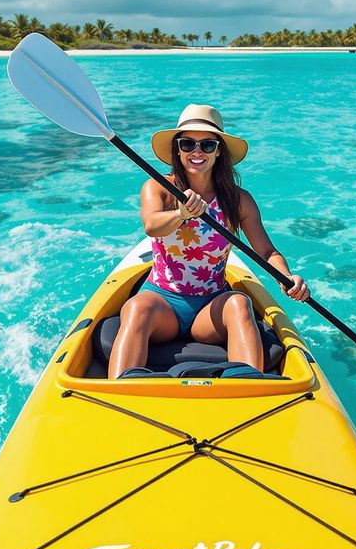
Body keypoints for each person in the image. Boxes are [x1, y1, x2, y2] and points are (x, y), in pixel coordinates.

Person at [108, 104, 310, 379]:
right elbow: (151, 226)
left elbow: (266, 250)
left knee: (239, 303)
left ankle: (249, 390)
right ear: (177, 149)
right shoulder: (158, 188)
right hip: (162, 302)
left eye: (207, 145)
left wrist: (287, 276)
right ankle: (122, 394)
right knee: (136, 307)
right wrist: (181, 214)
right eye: (188, 143)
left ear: (218, 151)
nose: (197, 152)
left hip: (210, 307)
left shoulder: (238, 200)